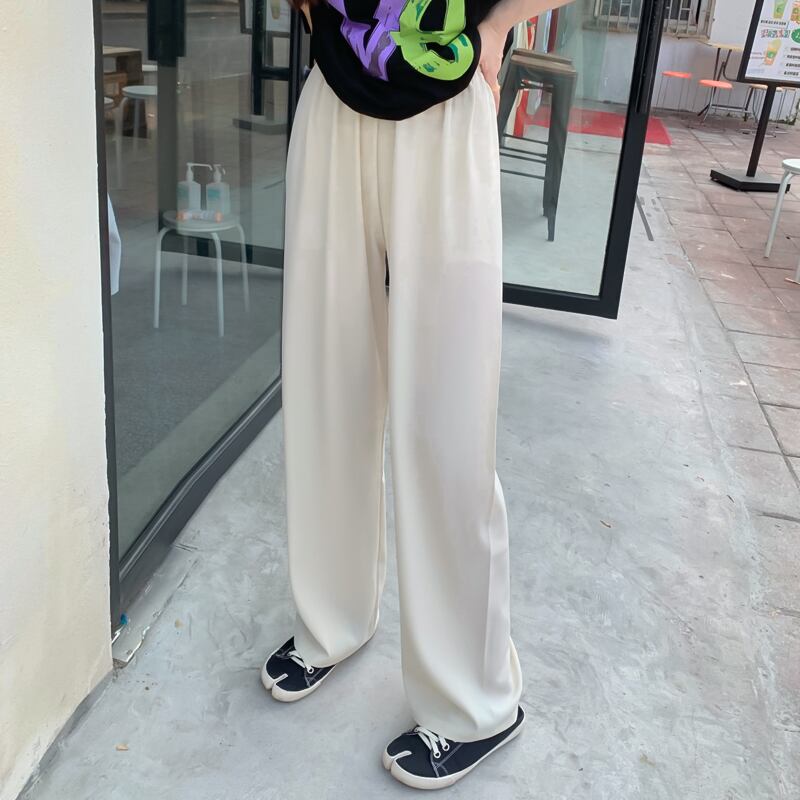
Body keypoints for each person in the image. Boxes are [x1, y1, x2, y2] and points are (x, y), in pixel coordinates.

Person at [262, 0, 571, 788]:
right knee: (325, 379)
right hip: (335, 94)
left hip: (444, 99)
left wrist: (497, 28)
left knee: (447, 410)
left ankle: (474, 701)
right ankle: (331, 619)